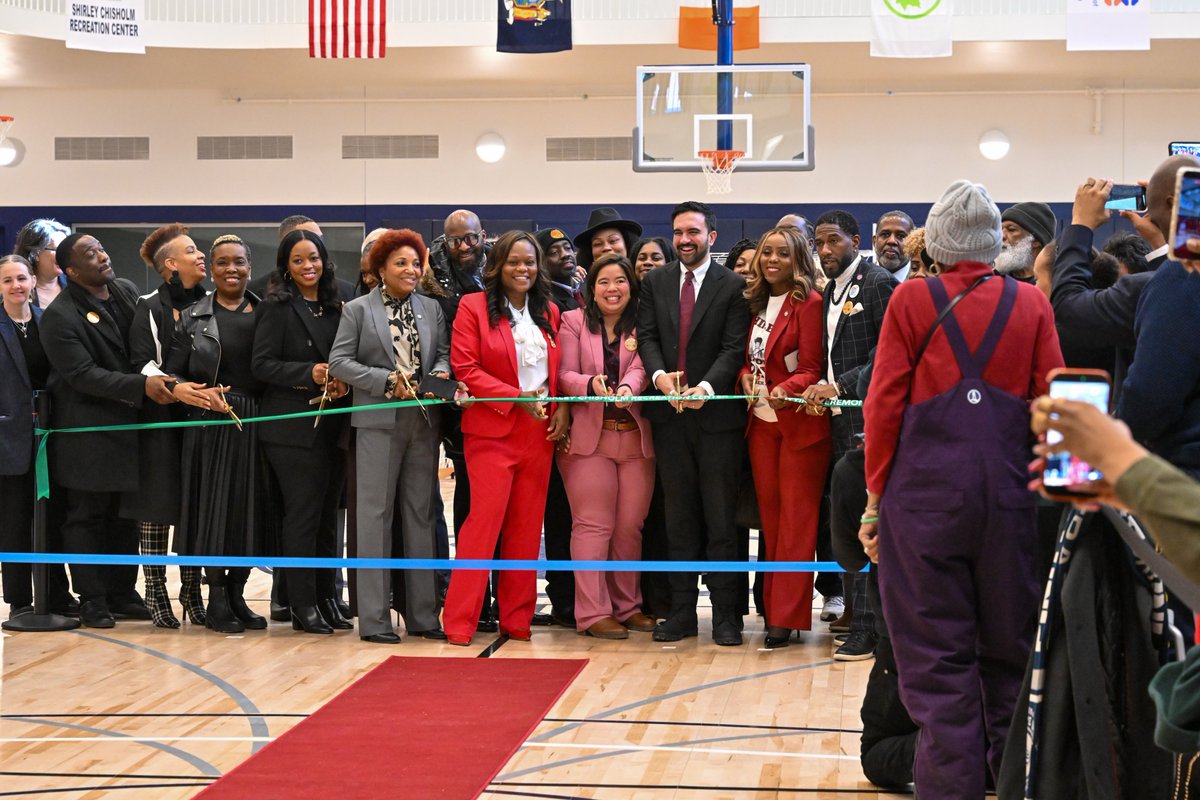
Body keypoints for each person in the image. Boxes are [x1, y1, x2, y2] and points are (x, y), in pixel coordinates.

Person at [861, 179, 1063, 798]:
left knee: (935, 665)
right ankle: (1013, 782)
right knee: (1009, 658)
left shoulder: (912, 302)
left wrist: (873, 501)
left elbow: (884, 406)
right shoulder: (1031, 304)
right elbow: (1057, 403)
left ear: (938, 242)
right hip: (1008, 500)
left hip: (923, 504)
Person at [442, 230, 568, 646]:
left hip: (539, 431)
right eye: (514, 261)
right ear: (497, 265)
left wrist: (560, 406)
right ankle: (460, 621)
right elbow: (466, 369)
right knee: (483, 526)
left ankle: (517, 619)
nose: (523, 269)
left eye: (530, 261)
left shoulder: (549, 311)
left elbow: (556, 374)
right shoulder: (472, 307)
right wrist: (518, 398)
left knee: (527, 530)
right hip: (492, 430)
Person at [40, 234, 172, 628]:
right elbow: (82, 375)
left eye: (100, 248)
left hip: (130, 428)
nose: (102, 256)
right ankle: (92, 598)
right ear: (71, 271)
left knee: (124, 516)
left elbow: (142, 346)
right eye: (90, 254)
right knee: (87, 517)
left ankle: (121, 591)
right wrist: (140, 387)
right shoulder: (60, 317)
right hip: (88, 433)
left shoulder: (126, 290)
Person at [329, 228, 451, 644]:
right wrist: (384, 381)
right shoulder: (358, 310)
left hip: (423, 423)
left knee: (420, 515)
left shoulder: (431, 308)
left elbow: (442, 355)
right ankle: (376, 620)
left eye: (416, 263)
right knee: (375, 518)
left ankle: (422, 616)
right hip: (377, 422)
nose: (411, 270)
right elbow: (339, 362)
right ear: (380, 269)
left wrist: (442, 374)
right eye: (401, 263)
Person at [637, 200, 750, 646]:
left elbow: (733, 346)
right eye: (679, 232)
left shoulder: (734, 285)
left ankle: (726, 616)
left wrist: (705, 389)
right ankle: (681, 612)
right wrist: (660, 377)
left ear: (711, 237)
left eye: (694, 232)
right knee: (678, 519)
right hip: (669, 418)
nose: (685, 240)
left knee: (722, 521)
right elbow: (646, 336)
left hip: (716, 418)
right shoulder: (656, 282)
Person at [802, 209, 897, 657]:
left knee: (864, 517)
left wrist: (838, 385)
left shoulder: (878, 283)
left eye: (833, 241)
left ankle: (871, 626)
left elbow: (887, 353)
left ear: (856, 241)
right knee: (843, 518)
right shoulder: (829, 291)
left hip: (867, 416)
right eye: (819, 244)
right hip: (838, 421)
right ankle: (857, 614)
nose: (825, 251)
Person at [166, 234, 268, 634]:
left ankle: (239, 593)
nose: (231, 269)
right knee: (214, 514)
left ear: (249, 267)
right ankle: (218, 597)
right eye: (223, 262)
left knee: (249, 511)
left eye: (239, 262)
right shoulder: (192, 317)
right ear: (213, 267)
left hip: (257, 420)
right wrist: (194, 392)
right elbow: (170, 373)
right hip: (210, 421)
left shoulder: (266, 313)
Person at [252, 229, 351, 635]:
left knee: (329, 517)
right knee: (303, 518)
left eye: (314, 258)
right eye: (298, 260)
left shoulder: (335, 305)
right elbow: (262, 365)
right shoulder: (277, 307)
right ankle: (300, 604)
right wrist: (307, 374)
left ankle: (327, 597)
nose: (308, 266)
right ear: (286, 267)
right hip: (292, 429)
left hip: (333, 424)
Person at [737, 226, 829, 648]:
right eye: (766, 252)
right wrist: (744, 379)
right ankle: (773, 611)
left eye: (783, 254)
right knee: (771, 528)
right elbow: (748, 361)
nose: (772, 260)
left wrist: (783, 390)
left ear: (798, 260)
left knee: (796, 527)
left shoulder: (807, 303)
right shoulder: (755, 302)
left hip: (798, 430)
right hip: (760, 427)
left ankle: (786, 618)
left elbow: (811, 368)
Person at [557, 253, 657, 639]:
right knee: (593, 526)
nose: (612, 288)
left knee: (629, 527)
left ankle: (627, 607)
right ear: (591, 288)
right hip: (589, 439)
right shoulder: (572, 322)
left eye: (620, 281)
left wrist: (630, 385)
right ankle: (593, 613)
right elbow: (563, 374)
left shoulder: (643, 325)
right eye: (603, 281)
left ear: (631, 287)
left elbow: (645, 365)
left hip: (635, 437)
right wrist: (589, 385)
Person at [125, 224, 209, 629]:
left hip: (202, 417)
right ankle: (155, 588)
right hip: (161, 418)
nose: (201, 256)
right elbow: (141, 362)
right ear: (170, 264)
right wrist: (176, 388)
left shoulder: (212, 303)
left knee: (196, 505)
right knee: (157, 508)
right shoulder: (147, 305)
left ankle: (193, 589)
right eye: (191, 251)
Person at [426, 209, 500, 632]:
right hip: (447, 403)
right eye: (456, 240)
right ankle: (462, 595)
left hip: (497, 396)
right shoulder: (428, 279)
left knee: (492, 503)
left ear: (482, 236)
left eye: (470, 238)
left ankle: (496, 596)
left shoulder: (500, 270)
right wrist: (448, 391)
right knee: (462, 504)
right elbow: (431, 351)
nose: (464, 247)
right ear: (445, 240)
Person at [0, 255, 74, 618]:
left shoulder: (48, 322)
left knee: (52, 516)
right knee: (13, 520)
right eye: (8, 280)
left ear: (33, 282)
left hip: (49, 435)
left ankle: (55, 593)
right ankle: (17, 599)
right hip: (8, 438)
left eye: (21, 278)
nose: (16, 286)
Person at [533, 225, 579, 628]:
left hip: (589, 422)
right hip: (546, 422)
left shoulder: (582, 295)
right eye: (554, 252)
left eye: (567, 248)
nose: (565, 255)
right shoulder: (544, 304)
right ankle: (563, 598)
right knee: (557, 516)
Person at [12, 219, 70, 309]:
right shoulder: (15, 289)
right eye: (58, 249)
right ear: (35, 253)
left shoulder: (75, 286)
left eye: (66, 249)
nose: (64, 255)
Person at [996, 201, 1057, 282]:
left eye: (1011, 229)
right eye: (1000, 229)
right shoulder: (993, 280)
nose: (1001, 236)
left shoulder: (1056, 284)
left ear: (1035, 241)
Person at [573, 207, 642, 271]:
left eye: (613, 241)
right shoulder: (579, 282)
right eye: (598, 244)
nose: (606, 248)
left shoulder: (644, 281)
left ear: (627, 244)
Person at [872, 211, 915, 282]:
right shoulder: (860, 279)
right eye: (885, 234)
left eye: (901, 236)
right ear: (874, 241)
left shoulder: (925, 282)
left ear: (912, 243)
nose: (892, 241)